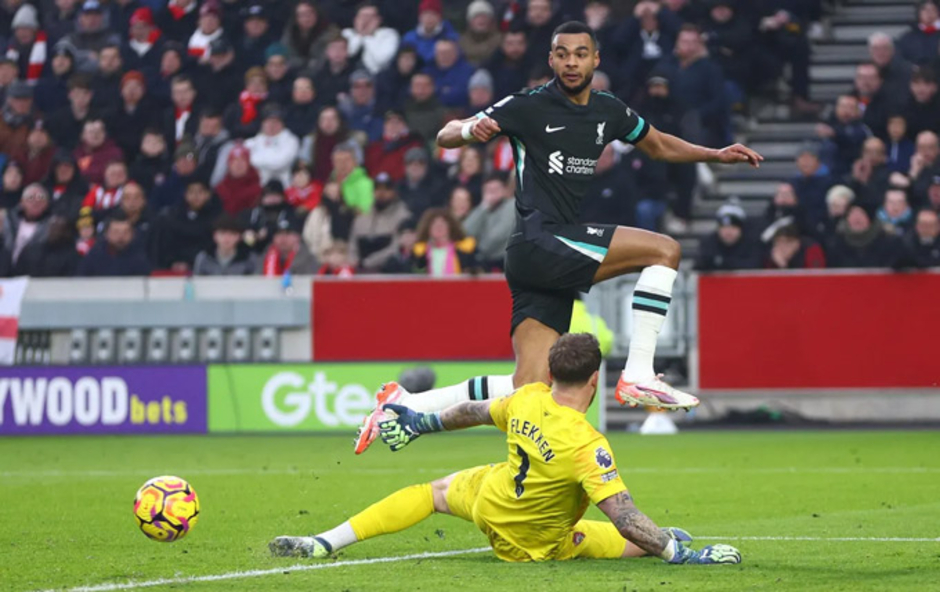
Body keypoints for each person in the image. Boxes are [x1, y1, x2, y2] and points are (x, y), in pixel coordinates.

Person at [353, 21, 763, 454]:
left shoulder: (609, 110)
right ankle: (639, 372)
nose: (571, 62)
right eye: (562, 53)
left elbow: (659, 145)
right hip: (540, 239)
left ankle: (407, 405)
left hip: (538, 259)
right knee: (665, 250)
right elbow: (445, 134)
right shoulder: (528, 105)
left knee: (527, 390)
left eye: (580, 53)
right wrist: (472, 130)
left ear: (595, 59)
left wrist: (714, 154)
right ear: (551, 59)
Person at [272, 334, 742, 566]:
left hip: (490, 501)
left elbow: (472, 411)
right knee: (614, 538)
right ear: (594, 380)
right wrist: (680, 557)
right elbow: (623, 515)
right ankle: (670, 544)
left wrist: (421, 422)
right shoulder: (587, 444)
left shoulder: (526, 397)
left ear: (553, 374)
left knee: (431, 492)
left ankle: (324, 542)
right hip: (534, 542)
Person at [348, 171, 410, 272]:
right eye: (377, 189)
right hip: (359, 272)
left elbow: (396, 247)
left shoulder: (403, 216)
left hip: (389, 272)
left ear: (394, 192)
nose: (381, 193)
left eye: (386, 189)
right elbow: (352, 247)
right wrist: (354, 263)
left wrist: (368, 262)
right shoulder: (362, 218)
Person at [462, 172, 515, 271]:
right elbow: (465, 231)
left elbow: (498, 236)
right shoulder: (482, 209)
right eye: (488, 190)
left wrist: (480, 248)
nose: (491, 193)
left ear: (504, 190)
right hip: (485, 261)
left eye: (495, 189)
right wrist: (483, 207)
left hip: (505, 261)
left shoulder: (512, 206)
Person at [77, 212, 152, 276]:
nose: (121, 237)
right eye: (116, 232)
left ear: (133, 234)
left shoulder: (140, 258)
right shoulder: (94, 256)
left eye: (125, 232)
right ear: (107, 234)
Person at [694, 202, 760, 272]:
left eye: (733, 227)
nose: (728, 232)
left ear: (741, 229)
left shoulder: (751, 244)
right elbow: (699, 266)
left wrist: (723, 262)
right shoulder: (708, 244)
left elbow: (754, 265)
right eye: (724, 227)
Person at [411, 207, 478, 276]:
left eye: (443, 223)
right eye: (434, 224)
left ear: (450, 227)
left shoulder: (464, 250)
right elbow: (413, 274)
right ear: (427, 228)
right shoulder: (420, 252)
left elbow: (476, 271)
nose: (439, 226)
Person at [245, 104, 300, 187]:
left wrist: (257, 162)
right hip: (255, 186)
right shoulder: (251, 142)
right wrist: (270, 159)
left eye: (275, 122)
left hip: (282, 186)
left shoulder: (291, 140)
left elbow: (279, 163)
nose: (271, 125)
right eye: (268, 121)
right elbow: (245, 163)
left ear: (282, 123)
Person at [193, 213, 259, 275]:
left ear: (239, 237)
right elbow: (197, 282)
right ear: (215, 236)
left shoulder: (249, 259)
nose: (227, 238)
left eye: (232, 234)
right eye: (222, 233)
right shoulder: (204, 258)